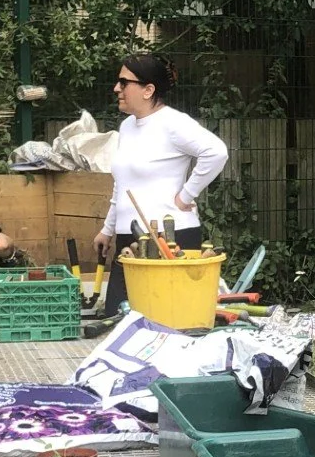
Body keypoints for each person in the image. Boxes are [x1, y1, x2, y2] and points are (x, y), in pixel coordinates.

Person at [94, 53, 229, 315]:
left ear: (148, 90)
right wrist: (107, 229)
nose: (116, 88)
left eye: (124, 82)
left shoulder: (173, 123)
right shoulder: (127, 127)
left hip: (171, 238)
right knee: (117, 319)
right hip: (129, 240)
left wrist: (186, 196)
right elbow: (122, 183)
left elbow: (217, 152)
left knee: (168, 323)